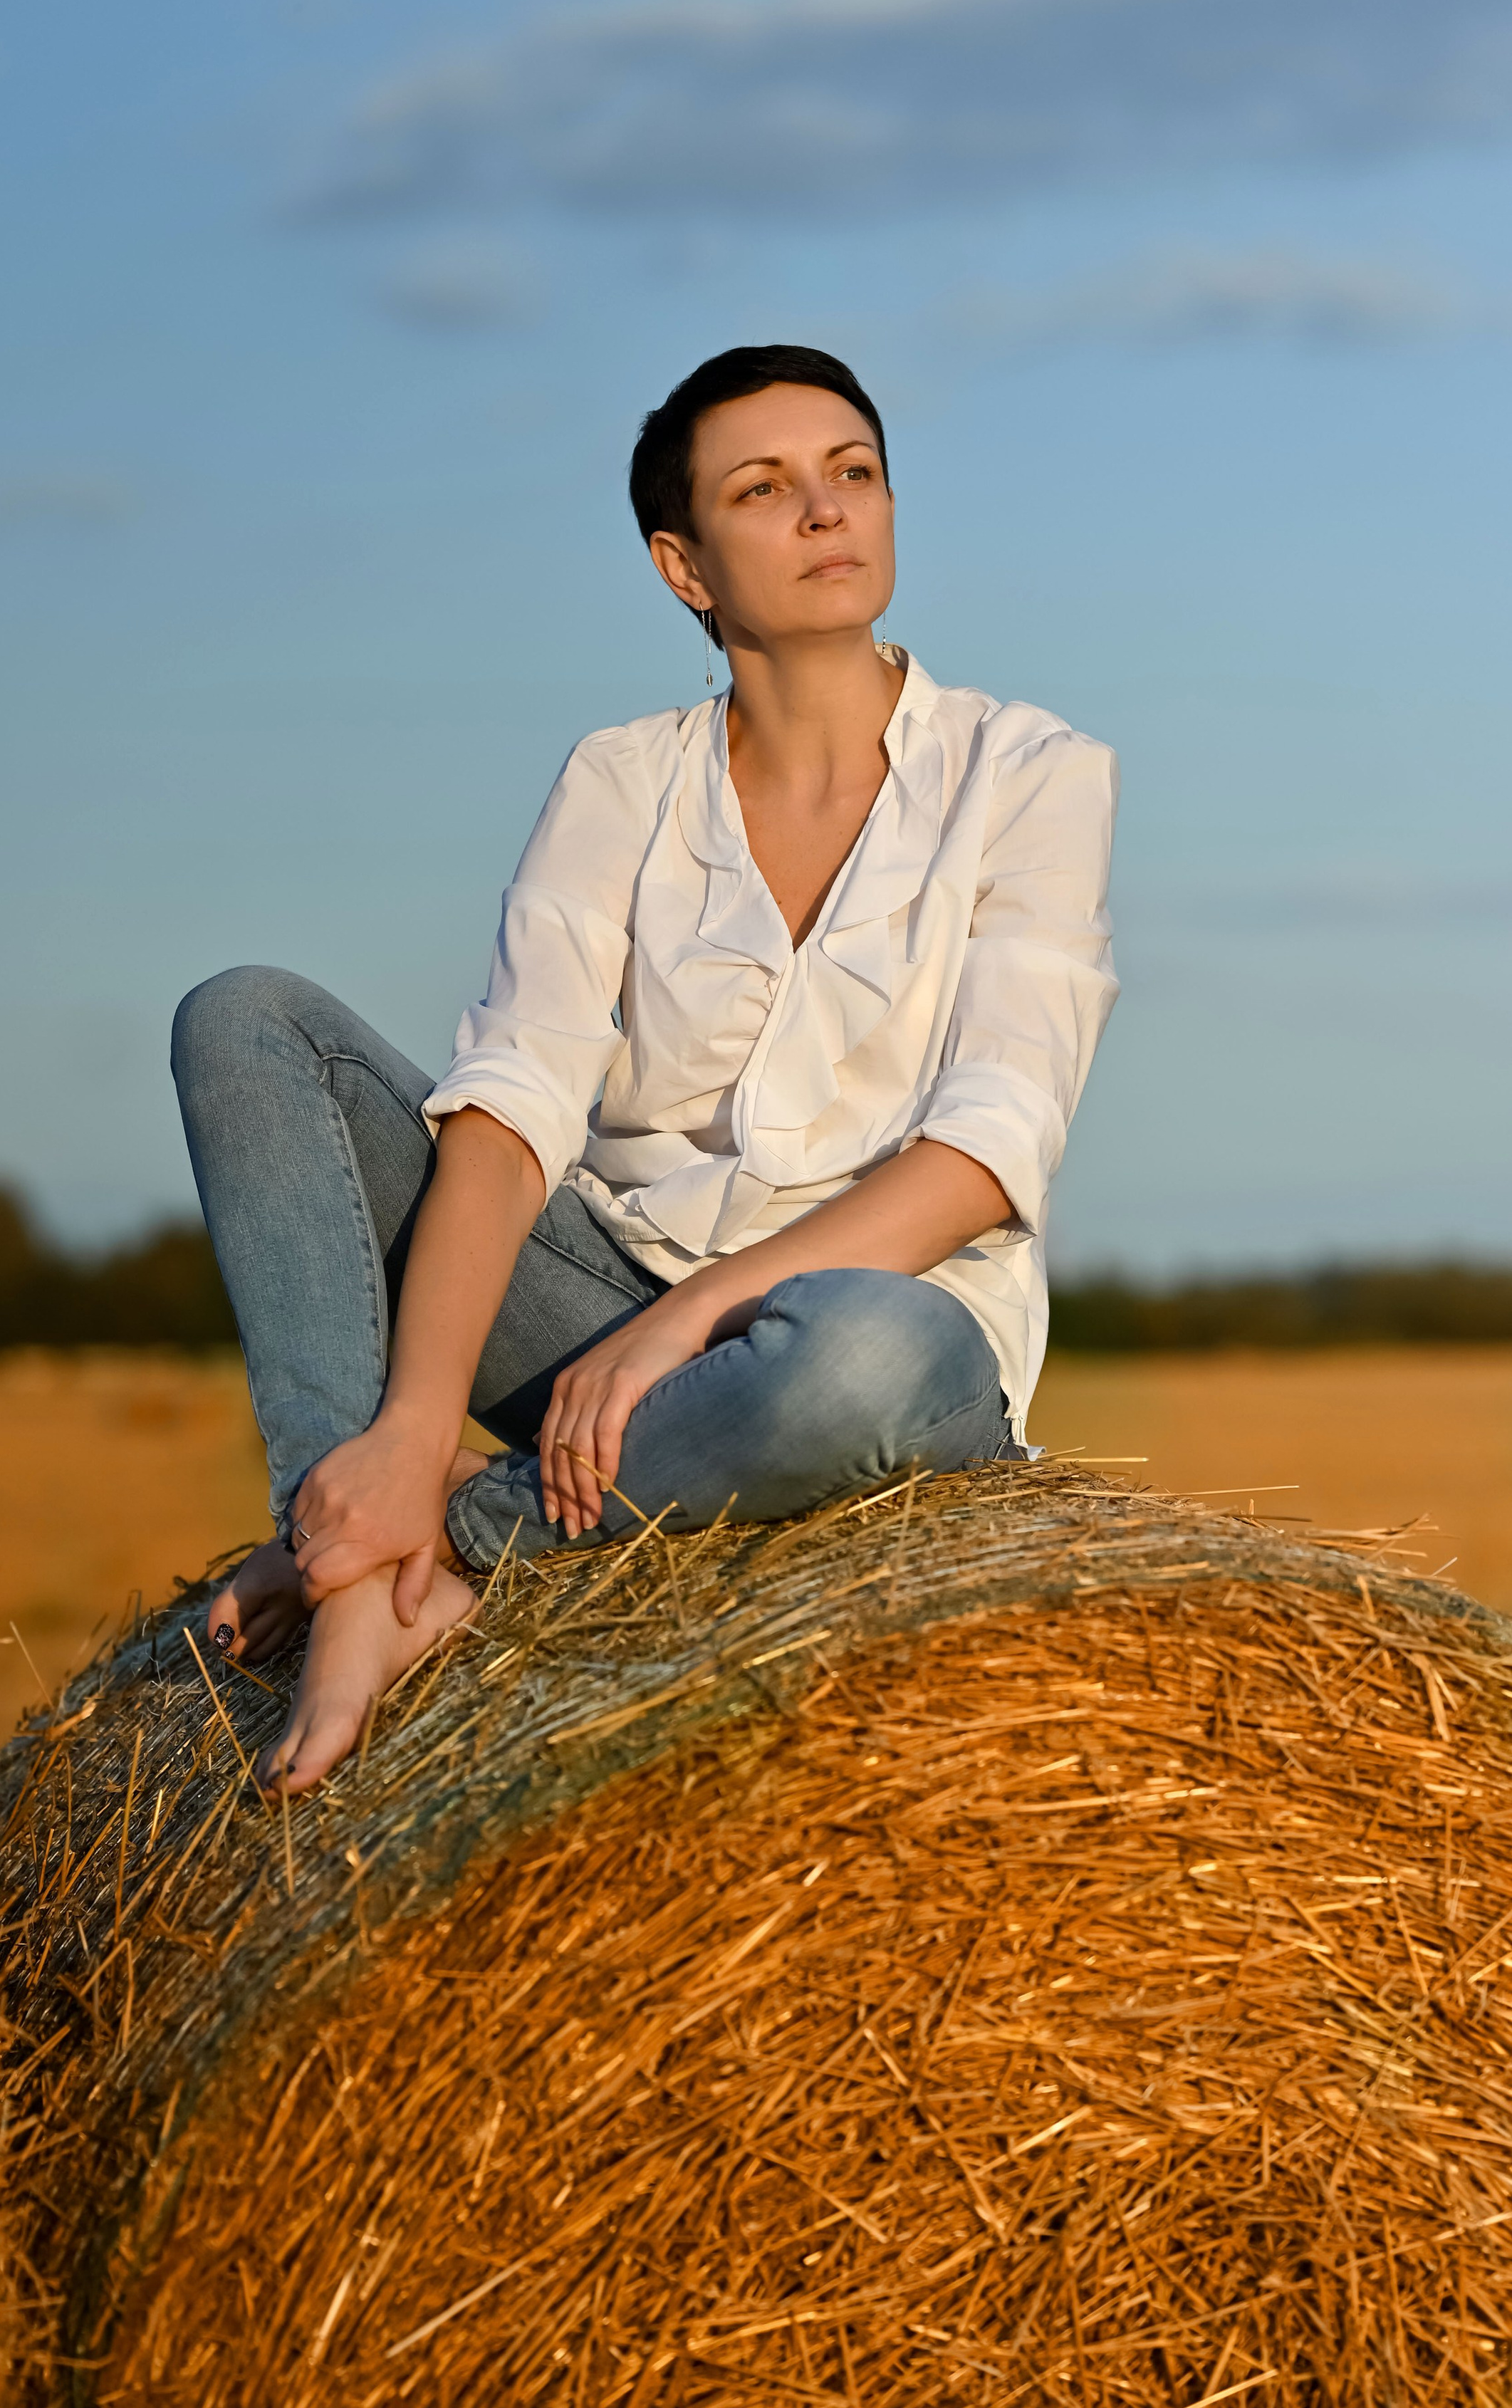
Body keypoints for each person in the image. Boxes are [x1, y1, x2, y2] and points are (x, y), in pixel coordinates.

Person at [172, 345, 1119, 1795]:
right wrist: (416, 1420)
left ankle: (466, 1538)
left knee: (861, 1354)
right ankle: (348, 1534)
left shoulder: (1031, 772)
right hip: (595, 1313)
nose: (826, 511)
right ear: (685, 568)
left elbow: (987, 1152)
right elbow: (511, 1110)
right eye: (765, 489)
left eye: (852, 473)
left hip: (868, 1347)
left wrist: (685, 1326)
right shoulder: (621, 779)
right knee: (246, 1021)